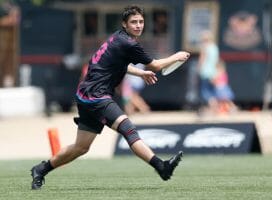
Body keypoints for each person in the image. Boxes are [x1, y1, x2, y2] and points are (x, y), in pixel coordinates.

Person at [30, 5, 190, 190]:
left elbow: (119, 64)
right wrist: (177, 56)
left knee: (81, 148)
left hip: (86, 95)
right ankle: (162, 167)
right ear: (124, 24)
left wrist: (140, 73)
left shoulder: (117, 38)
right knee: (128, 129)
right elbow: (155, 66)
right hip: (96, 97)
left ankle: (41, 169)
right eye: (133, 22)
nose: (138, 25)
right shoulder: (129, 43)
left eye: (141, 21)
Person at [197, 30, 219, 114]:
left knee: (205, 92)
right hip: (213, 72)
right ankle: (214, 110)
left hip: (205, 72)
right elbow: (216, 61)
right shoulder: (215, 47)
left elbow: (202, 60)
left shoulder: (205, 47)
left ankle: (213, 107)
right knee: (212, 91)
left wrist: (198, 69)